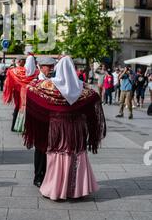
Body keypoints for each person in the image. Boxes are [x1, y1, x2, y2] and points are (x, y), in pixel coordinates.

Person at [24, 56, 106, 200]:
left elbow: (30, 89)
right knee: (77, 154)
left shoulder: (49, 85)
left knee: (58, 154)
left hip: (58, 126)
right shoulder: (82, 87)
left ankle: (56, 189)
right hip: (77, 128)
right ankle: (77, 190)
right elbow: (95, 96)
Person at [32, 55, 56, 187]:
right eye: (49, 66)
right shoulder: (35, 82)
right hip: (39, 120)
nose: (51, 69)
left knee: (50, 148)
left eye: (52, 66)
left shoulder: (54, 80)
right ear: (41, 68)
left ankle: (48, 174)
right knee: (40, 149)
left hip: (52, 120)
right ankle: (38, 176)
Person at [3, 55, 38, 132]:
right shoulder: (35, 72)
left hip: (17, 92)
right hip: (24, 92)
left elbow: (8, 83)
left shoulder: (13, 71)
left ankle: (14, 126)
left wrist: (8, 94)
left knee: (18, 107)